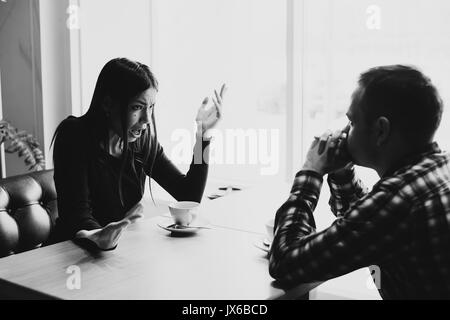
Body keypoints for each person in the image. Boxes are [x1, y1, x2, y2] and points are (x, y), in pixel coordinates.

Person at [269, 65, 450, 299]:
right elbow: (368, 227)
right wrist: (343, 174)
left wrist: (311, 171)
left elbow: (285, 262)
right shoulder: (438, 168)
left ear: (381, 131)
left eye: (352, 122)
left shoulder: (397, 198)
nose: (344, 132)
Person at [50, 57, 226, 250]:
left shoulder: (141, 141)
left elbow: (188, 195)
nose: (146, 119)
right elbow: (78, 217)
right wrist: (101, 236)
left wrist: (202, 138)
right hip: (69, 253)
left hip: (112, 253)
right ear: (108, 104)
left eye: (151, 107)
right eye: (137, 107)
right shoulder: (74, 135)